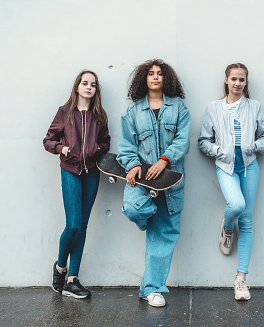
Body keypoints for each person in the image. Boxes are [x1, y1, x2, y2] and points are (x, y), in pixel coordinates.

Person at [117, 59, 191, 307]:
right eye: (151, 74)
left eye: (160, 73)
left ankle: (152, 289)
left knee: (164, 236)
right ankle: (146, 219)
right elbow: (126, 147)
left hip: (170, 183)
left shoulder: (178, 107)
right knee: (132, 209)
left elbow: (183, 140)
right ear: (144, 79)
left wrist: (164, 160)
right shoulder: (132, 112)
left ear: (166, 79)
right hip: (141, 181)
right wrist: (133, 165)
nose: (156, 77)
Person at [198, 63, 264, 301]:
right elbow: (203, 141)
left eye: (242, 80)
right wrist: (217, 149)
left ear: (246, 82)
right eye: (234, 79)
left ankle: (241, 279)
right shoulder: (214, 108)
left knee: (248, 221)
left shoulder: (254, 106)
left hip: (250, 165)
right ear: (226, 80)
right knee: (237, 206)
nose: (238, 83)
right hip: (226, 166)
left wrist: (253, 146)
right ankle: (228, 228)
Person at [43, 70, 110, 299]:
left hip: (91, 173)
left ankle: (72, 280)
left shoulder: (99, 115)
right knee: (72, 225)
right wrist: (62, 149)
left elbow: (105, 142)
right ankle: (60, 267)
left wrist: (95, 150)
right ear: (77, 87)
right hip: (70, 171)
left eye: (93, 84)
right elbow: (48, 139)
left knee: (82, 226)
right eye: (85, 83)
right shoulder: (64, 112)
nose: (89, 87)